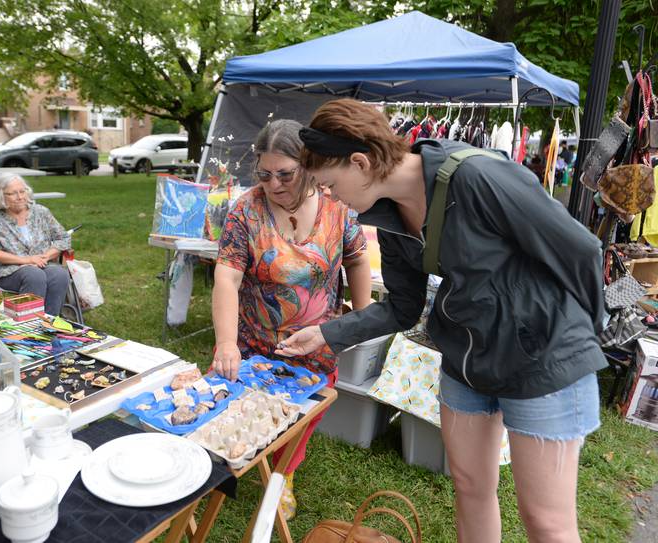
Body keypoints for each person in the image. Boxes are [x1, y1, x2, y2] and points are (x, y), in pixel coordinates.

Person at [276, 99, 605, 543]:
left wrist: (586, 335)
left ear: (361, 162)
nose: (331, 197)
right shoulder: (387, 214)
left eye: (330, 184)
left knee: (546, 522)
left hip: (541, 359)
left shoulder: (477, 176)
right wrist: (325, 333)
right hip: (465, 363)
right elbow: (402, 306)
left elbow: (580, 250)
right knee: (470, 489)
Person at [211, 119, 372, 520]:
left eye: (285, 174)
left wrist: (362, 315)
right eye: (265, 175)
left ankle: (283, 476)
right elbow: (227, 277)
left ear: (308, 167)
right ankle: (250, 462)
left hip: (318, 342)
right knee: (251, 412)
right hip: (255, 340)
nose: (274, 184)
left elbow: (356, 257)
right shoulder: (246, 211)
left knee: (299, 420)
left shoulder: (337, 207)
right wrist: (227, 343)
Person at [0, 172, 71, 316]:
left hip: (42, 264)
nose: (20, 197)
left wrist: (45, 256)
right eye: (13, 193)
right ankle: (28, 325)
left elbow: (63, 238)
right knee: (34, 275)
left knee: (59, 274)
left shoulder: (41, 212)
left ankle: (50, 323)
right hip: (7, 271)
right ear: (0, 196)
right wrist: (25, 260)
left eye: (22, 191)